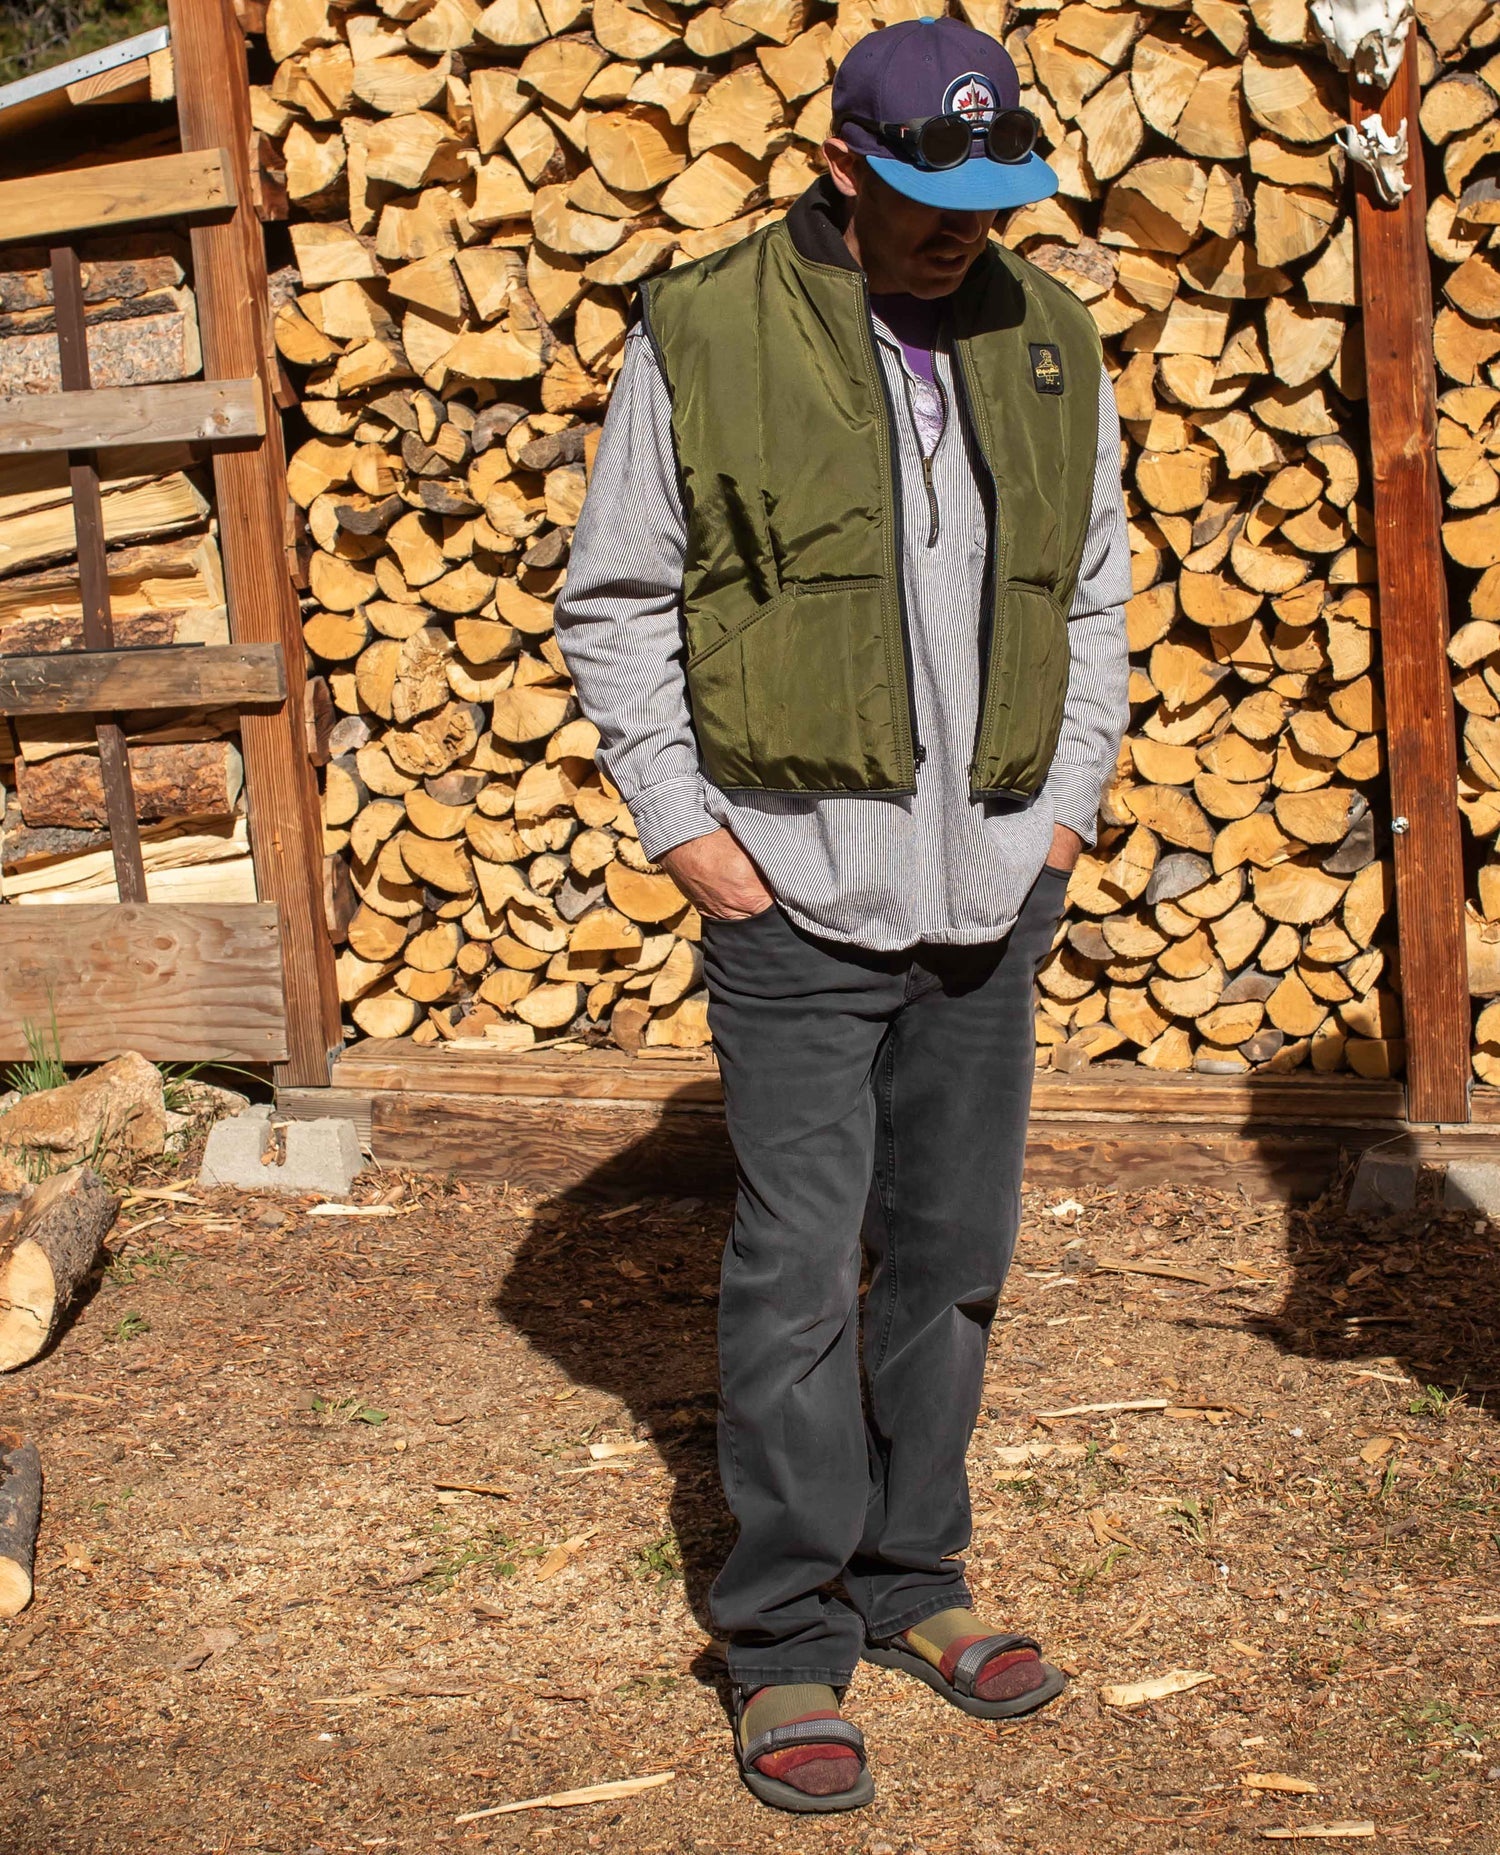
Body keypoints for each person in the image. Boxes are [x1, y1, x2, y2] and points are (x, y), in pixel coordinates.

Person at [555, 12, 1130, 1816]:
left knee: (951, 1258)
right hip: (794, 895)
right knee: (799, 1271)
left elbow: (1094, 585)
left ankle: (917, 1585)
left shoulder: (1046, 334)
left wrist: (1062, 816)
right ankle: (789, 1636)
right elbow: (615, 595)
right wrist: (683, 832)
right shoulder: (707, 330)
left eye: (992, 187)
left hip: (989, 891)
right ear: (841, 167)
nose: (966, 223)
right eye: (927, 188)